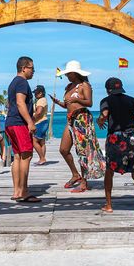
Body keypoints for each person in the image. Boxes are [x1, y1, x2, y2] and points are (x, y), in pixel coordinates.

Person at [97, 77, 134, 217]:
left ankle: (108, 205)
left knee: (109, 170)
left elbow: (105, 114)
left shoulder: (106, 101)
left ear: (108, 89)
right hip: (132, 137)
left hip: (115, 138)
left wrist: (100, 119)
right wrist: (132, 118)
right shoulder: (131, 99)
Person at [50, 60, 105, 193]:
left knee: (83, 152)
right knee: (63, 149)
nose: (68, 75)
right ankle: (76, 174)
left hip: (82, 119)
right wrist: (58, 102)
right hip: (70, 119)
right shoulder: (68, 87)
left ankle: (84, 183)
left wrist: (76, 99)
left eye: (69, 73)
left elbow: (89, 102)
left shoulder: (84, 85)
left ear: (75, 73)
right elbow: (67, 104)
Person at [5, 56, 40, 202]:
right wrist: (30, 122)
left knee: (18, 156)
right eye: (32, 68)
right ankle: (24, 191)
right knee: (26, 156)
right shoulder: (22, 82)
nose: (33, 71)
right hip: (19, 123)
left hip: (10, 122)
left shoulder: (13, 82)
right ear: (24, 68)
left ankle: (17, 192)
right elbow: (20, 103)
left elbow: (11, 103)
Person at [31, 85, 50, 165]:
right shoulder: (42, 100)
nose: (35, 94)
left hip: (40, 122)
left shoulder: (41, 100)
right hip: (44, 122)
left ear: (41, 93)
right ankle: (42, 159)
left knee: (34, 141)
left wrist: (31, 120)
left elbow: (38, 112)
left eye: (36, 93)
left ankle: (42, 158)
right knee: (42, 142)